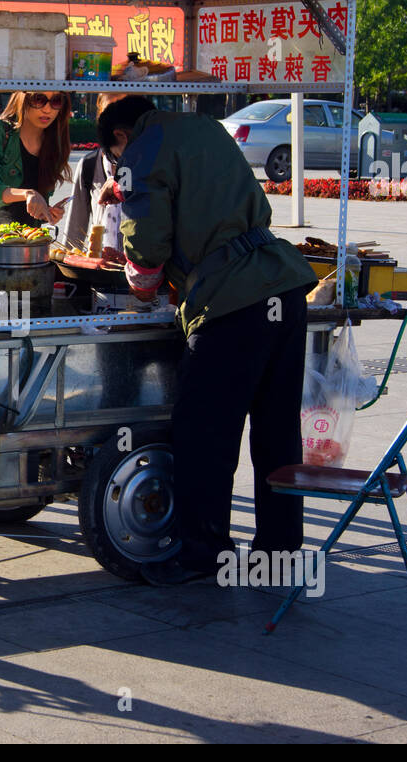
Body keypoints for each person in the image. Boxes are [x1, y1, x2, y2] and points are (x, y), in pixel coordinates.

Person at [96, 96, 317, 585]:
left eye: (115, 156)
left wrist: (143, 282)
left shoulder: (138, 152)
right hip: (281, 285)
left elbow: (146, 247)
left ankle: (203, 554)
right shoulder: (202, 127)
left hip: (231, 302)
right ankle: (279, 555)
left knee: (204, 433)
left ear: (119, 137)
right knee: (278, 432)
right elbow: (202, 193)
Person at [0, 90, 73, 235]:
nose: (47, 109)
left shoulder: (54, 144)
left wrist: (45, 212)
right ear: (22, 99)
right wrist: (28, 194)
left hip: (22, 243)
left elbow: (28, 207)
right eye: (38, 99)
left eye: (56, 101)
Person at [64, 92, 128, 254]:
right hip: (100, 268)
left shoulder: (153, 164)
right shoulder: (89, 165)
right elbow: (74, 231)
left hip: (143, 272)